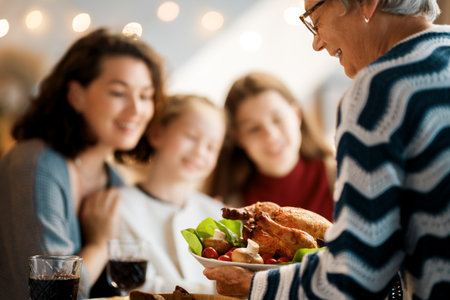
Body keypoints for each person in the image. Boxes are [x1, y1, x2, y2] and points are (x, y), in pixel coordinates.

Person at [203, 0, 450, 299]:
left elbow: (358, 274)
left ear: (367, 4)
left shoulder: (378, 93)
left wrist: (254, 286)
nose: (317, 43)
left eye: (315, 19)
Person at [0, 28, 165, 300]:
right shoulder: (34, 165)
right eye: (118, 92)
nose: (137, 110)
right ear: (76, 95)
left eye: (146, 96)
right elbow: (52, 296)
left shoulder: (114, 180)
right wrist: (100, 244)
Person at [117, 94, 227, 293]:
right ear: (157, 133)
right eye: (191, 137)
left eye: (212, 147)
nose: (200, 152)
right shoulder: (119, 206)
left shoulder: (216, 214)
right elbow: (136, 287)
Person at [205, 72, 336, 221]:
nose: (271, 136)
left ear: (296, 114)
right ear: (238, 138)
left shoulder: (345, 175)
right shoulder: (229, 211)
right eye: (254, 129)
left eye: (277, 119)